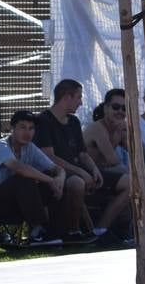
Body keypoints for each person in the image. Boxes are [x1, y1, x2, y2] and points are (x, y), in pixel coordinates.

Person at [0, 109, 85, 246]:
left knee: (49, 183)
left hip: (17, 204)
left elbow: (56, 169)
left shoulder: (30, 148)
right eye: (22, 127)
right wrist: (51, 180)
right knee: (24, 179)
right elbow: (20, 169)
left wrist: (60, 179)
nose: (27, 133)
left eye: (31, 128)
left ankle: (59, 231)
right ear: (12, 129)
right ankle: (37, 231)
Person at [35, 79, 111, 241]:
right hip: (52, 174)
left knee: (126, 181)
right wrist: (80, 172)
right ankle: (73, 232)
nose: (81, 102)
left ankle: (107, 230)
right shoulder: (44, 121)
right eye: (78, 97)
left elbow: (82, 153)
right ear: (67, 97)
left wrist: (94, 169)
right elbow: (49, 157)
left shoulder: (74, 122)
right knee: (77, 182)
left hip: (78, 172)